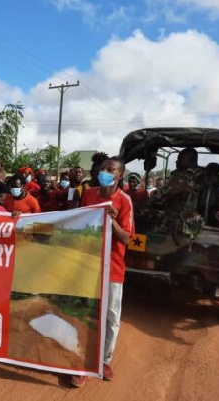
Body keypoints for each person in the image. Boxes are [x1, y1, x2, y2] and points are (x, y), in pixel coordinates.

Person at [69, 156, 135, 388]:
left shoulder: (124, 201)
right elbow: (76, 223)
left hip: (113, 268)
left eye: (111, 170)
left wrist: (113, 221)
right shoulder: (88, 195)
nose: (104, 172)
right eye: (103, 168)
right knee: (84, 313)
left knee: (110, 318)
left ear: (119, 175)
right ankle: (81, 363)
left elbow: (126, 238)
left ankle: (104, 361)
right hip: (87, 264)